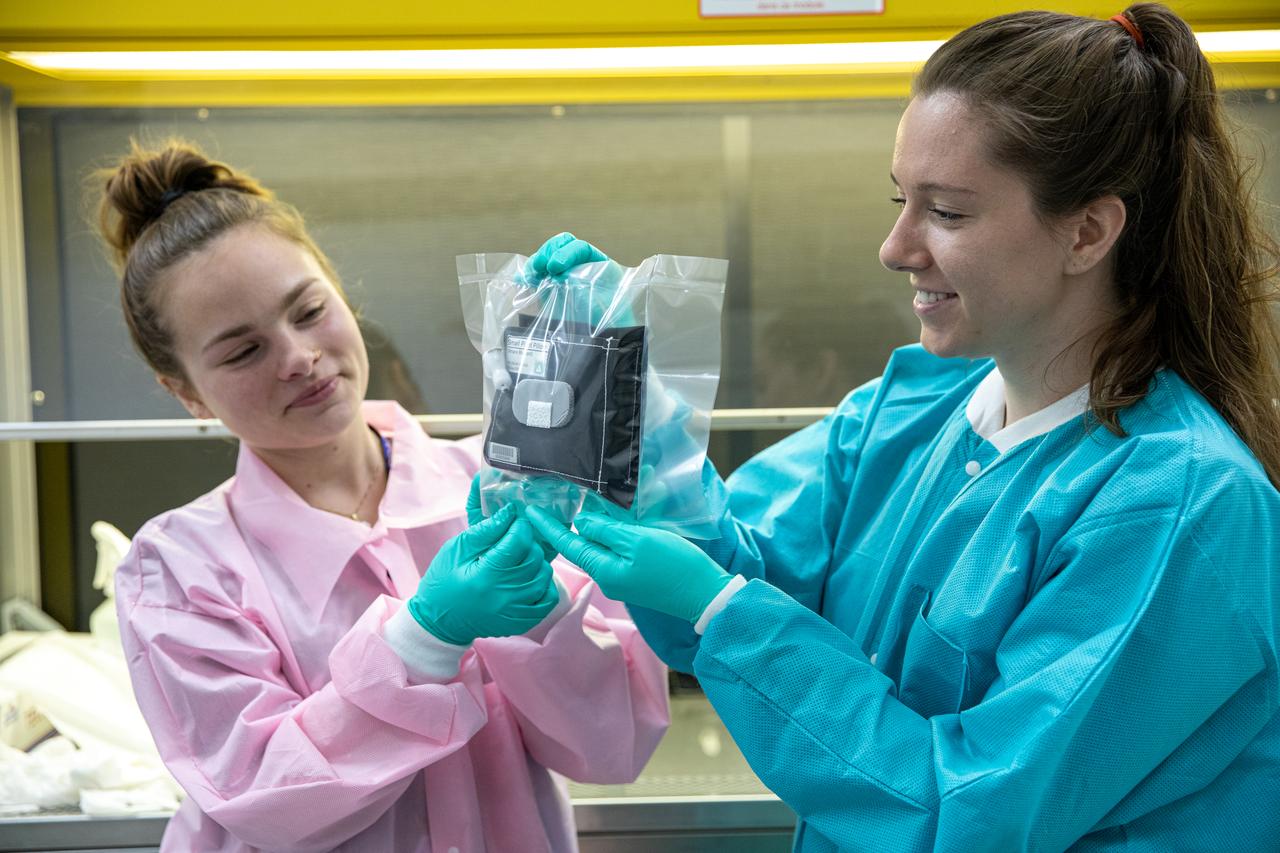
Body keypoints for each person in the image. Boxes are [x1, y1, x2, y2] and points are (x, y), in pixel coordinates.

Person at [524, 4, 1280, 850]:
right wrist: (615, 383)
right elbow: (737, 569)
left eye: (947, 213)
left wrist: (717, 608)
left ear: (1088, 231)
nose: (894, 246)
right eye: (900, 201)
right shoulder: (909, 409)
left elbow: (964, 815)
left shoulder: (1179, 505)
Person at [97, 139, 668, 852]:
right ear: (183, 391)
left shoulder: (498, 488)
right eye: (243, 351)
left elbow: (615, 749)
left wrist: (544, 619)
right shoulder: (180, 568)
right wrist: (424, 638)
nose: (299, 357)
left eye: (308, 310)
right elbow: (266, 800)